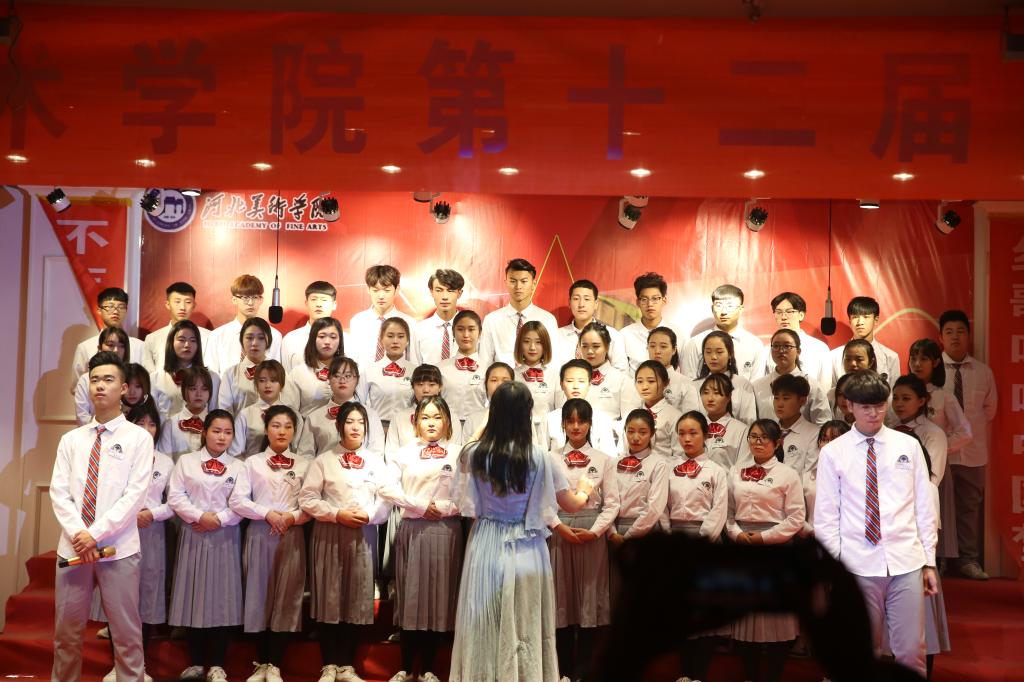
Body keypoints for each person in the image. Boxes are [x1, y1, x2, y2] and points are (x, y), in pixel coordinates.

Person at [815, 370, 938, 677]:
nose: (874, 413)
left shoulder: (907, 446)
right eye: (866, 406)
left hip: (906, 560)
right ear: (849, 406)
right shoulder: (833, 453)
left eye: (880, 405)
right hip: (856, 564)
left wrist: (930, 561)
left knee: (911, 651)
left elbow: (924, 506)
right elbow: (827, 516)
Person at [50, 351, 155, 682]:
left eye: (108, 380)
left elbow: (134, 496)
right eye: (94, 380)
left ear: (123, 388)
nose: (99, 386)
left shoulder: (138, 438)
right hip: (73, 548)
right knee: (66, 635)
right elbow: (59, 493)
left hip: (118, 549)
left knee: (126, 635)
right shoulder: (71, 440)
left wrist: (95, 534)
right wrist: (80, 535)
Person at [449, 381, 560, 681]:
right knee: (524, 619)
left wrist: (486, 424)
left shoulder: (476, 453)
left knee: (482, 618)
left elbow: (464, 452)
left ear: (494, 413)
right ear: (527, 414)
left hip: (486, 539)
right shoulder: (539, 455)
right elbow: (562, 502)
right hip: (526, 542)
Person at [300, 402, 393, 682]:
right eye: (350, 422)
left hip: (362, 534)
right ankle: (329, 664)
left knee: (355, 598)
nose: (356, 427)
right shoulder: (323, 460)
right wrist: (335, 513)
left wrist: (370, 515)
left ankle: (347, 666)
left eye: (361, 422)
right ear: (339, 426)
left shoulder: (375, 462)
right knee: (330, 598)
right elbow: (307, 498)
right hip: (329, 533)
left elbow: (385, 500)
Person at [377, 396, 465, 682]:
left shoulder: (459, 453)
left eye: (437, 417)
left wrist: (442, 508)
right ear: (415, 422)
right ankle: (404, 668)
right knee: (412, 595)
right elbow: (385, 487)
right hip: (413, 529)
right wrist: (418, 505)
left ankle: (428, 668)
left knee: (439, 596)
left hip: (446, 530)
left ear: (447, 421)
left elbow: (468, 494)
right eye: (425, 417)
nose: (431, 423)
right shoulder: (404, 453)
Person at [229, 405, 311, 682]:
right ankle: (260, 662)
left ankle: (275, 663)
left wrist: (291, 517)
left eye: (288, 426)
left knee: (287, 596)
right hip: (260, 532)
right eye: (276, 425)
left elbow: (310, 503)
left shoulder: (304, 464)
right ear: (266, 429)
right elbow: (238, 500)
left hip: (291, 534)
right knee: (258, 595)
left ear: (294, 431)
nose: (282, 431)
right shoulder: (251, 463)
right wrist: (268, 514)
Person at [167, 410, 244, 682]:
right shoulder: (186, 462)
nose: (222, 437)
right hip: (194, 534)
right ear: (204, 432)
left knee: (221, 598)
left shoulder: (239, 466)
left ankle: (218, 665)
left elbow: (241, 502)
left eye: (227, 432)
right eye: (216, 431)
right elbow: (175, 496)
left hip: (225, 536)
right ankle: (197, 662)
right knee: (194, 595)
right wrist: (200, 517)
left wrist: (218, 520)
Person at [726, 419, 806, 682]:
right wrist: (737, 534)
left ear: (777, 442)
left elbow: (796, 518)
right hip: (743, 546)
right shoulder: (736, 470)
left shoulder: (788, 474)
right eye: (753, 437)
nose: (757, 442)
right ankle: (749, 676)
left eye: (764, 438)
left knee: (776, 618)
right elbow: (728, 512)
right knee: (746, 617)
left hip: (775, 548)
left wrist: (764, 538)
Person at [547, 399, 620, 682]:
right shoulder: (550, 458)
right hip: (560, 530)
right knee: (562, 599)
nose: (576, 427)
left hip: (592, 532)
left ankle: (584, 672)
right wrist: (559, 526)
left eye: (581, 421)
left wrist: (595, 531)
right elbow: (544, 502)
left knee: (590, 599)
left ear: (590, 424)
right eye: (570, 421)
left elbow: (611, 504)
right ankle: (564, 671)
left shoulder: (604, 460)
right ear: (563, 424)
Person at [664, 411, 728, 682]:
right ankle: (683, 673)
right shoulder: (668, 468)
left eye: (693, 433)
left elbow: (719, 509)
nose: (687, 439)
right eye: (682, 433)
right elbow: (661, 507)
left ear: (706, 435)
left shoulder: (716, 471)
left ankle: (699, 674)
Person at [938, 310, 997, 580]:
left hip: (973, 453)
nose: (955, 337)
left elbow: (990, 410)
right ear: (941, 337)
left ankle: (968, 560)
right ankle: (938, 560)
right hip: (940, 453)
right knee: (937, 507)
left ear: (969, 335)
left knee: (969, 507)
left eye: (960, 331)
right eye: (949, 332)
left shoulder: (983, 372)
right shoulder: (934, 371)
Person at [907, 338, 972, 563]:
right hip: (903, 465)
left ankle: (935, 561)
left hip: (935, 467)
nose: (917, 363)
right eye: (913, 358)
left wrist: (940, 447)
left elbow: (965, 432)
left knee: (934, 512)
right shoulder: (899, 392)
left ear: (935, 363)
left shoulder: (944, 396)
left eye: (923, 359)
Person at [479, 258, 559, 367]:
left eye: (524, 281)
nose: (518, 286)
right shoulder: (492, 320)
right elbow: (485, 361)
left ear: (533, 284)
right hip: (502, 377)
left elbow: (553, 362)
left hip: (537, 376)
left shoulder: (547, 319)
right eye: (513, 281)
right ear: (506, 283)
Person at [302, 356, 386, 456]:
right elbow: (305, 455)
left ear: (357, 380)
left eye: (348, 376)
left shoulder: (370, 415)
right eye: (337, 376)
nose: (342, 380)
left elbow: (377, 453)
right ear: (329, 379)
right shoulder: (314, 418)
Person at [610, 408, 669, 546]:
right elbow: (607, 501)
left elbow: (655, 507)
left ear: (652, 433)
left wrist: (629, 536)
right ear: (625, 431)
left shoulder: (659, 464)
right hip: (615, 531)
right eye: (631, 431)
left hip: (646, 531)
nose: (636, 437)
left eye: (642, 432)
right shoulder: (613, 463)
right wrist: (612, 533)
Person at [231, 360, 312, 460]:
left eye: (273, 380)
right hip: (252, 467)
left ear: (282, 384)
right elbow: (235, 453)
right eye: (262, 380)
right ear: (256, 384)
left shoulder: (294, 414)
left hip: (287, 468)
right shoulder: (245, 415)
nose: (267, 385)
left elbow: (299, 451)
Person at [682, 284, 764, 381]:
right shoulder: (696, 343)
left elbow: (756, 383)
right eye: (719, 305)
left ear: (741, 310)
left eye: (730, 306)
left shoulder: (754, 344)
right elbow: (689, 383)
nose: (724, 311)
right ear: (712, 309)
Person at [751, 328, 832, 425]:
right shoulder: (758, 385)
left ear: (798, 351)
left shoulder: (812, 385)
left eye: (787, 346)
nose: (781, 350)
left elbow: (823, 423)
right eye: (776, 346)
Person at [206, 274, 284, 373]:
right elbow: (211, 375)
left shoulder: (274, 335)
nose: (250, 303)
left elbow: (276, 372)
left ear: (261, 300)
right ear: (234, 300)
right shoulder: (217, 336)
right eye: (245, 297)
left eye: (255, 297)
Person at [753, 292, 831, 387]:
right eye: (779, 312)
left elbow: (825, 386)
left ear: (801, 315)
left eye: (789, 312)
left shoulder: (820, 348)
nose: (783, 317)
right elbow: (760, 383)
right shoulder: (767, 350)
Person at [150, 319, 220, 422]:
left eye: (193, 340)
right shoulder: (156, 378)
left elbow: (214, 413)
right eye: (182, 340)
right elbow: (152, 416)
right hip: (166, 431)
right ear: (171, 342)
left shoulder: (212, 377)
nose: (187, 345)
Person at [543, 359, 619, 455]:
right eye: (570, 381)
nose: (575, 386)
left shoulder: (602, 419)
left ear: (589, 384)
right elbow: (541, 456)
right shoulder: (550, 419)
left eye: (581, 381)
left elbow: (609, 457)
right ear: (561, 384)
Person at [348, 265, 418, 366]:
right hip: (363, 375)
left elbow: (413, 362)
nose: (381, 296)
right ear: (368, 289)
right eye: (375, 290)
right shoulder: (358, 321)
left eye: (387, 290)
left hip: (397, 375)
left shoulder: (409, 323)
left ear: (397, 289)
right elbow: (352, 359)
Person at [386, 365, 464, 456]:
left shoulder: (451, 417)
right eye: (420, 384)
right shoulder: (399, 417)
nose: (426, 390)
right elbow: (391, 454)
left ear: (440, 387)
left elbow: (454, 452)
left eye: (432, 385)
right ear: (413, 387)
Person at [71, 287, 145, 382]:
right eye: (110, 307)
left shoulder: (140, 346)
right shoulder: (85, 347)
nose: (115, 311)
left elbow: (145, 382)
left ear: (126, 310)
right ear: (99, 310)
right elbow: (77, 385)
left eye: (121, 307)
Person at [619, 272, 687, 374]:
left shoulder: (679, 333)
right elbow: (621, 374)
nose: (650, 304)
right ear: (637, 302)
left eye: (655, 299)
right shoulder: (624, 335)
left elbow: (686, 373)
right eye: (644, 299)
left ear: (664, 300)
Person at [553, 279, 628, 371]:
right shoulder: (556, 335)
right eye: (576, 299)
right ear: (569, 303)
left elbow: (621, 370)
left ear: (596, 304)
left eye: (587, 299)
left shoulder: (612, 334)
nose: (581, 304)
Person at [623, 326, 699, 413]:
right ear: (647, 348)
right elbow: (629, 412)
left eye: (663, 346)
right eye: (652, 346)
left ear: (674, 350)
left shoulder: (686, 384)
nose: (657, 351)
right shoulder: (635, 382)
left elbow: (691, 416)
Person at [827, 296, 901, 387]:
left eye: (866, 317)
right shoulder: (834, 356)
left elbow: (894, 392)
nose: (860, 322)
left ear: (876, 320)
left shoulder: (890, 357)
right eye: (855, 317)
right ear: (850, 320)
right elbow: (832, 391)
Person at [141, 282, 211, 373]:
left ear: (194, 305)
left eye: (188, 302)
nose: (182, 307)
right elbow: (148, 375)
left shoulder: (208, 336)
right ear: (168, 304)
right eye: (177, 302)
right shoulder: (152, 339)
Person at [759, 374, 819, 476]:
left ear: (802, 400)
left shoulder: (814, 434)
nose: (779, 404)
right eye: (776, 398)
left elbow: (810, 476)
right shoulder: (768, 431)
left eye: (785, 398)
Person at [692, 330, 757, 424]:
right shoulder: (694, 385)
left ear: (730, 354)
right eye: (708, 352)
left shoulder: (742, 384)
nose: (713, 357)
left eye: (719, 352)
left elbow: (749, 421)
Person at [362, 317, 416, 426]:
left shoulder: (415, 371)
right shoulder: (369, 370)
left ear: (407, 341)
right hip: (376, 427)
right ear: (381, 340)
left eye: (400, 336)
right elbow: (359, 403)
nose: (395, 341)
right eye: (390, 336)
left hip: (407, 427)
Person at [802, 420, 852, 538]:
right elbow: (796, 514)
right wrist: (811, 532)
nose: (828, 444)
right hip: (814, 538)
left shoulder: (860, 476)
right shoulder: (807, 478)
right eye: (824, 439)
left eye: (835, 439)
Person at [574, 321, 631, 422]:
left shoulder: (622, 380)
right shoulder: (571, 378)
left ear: (607, 347)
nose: (590, 351)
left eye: (596, 346)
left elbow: (629, 419)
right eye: (585, 346)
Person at [513, 321, 560, 444]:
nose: (532, 347)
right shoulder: (511, 375)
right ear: (519, 345)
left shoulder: (555, 375)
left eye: (538, 342)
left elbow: (559, 412)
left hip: (547, 437)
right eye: (526, 341)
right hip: (517, 436)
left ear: (546, 345)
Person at [287, 317, 345, 416]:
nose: (327, 341)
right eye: (322, 336)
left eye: (333, 337)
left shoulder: (348, 371)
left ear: (340, 341)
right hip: (308, 425)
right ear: (313, 339)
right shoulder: (298, 373)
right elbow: (290, 412)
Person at [438, 310, 488, 423]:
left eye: (471, 329)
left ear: (480, 333)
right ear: (453, 332)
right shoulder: (440, 369)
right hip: (447, 425)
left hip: (478, 427)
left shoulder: (488, 369)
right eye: (460, 329)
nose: (466, 335)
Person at [74, 327, 131, 425]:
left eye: (121, 346)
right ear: (99, 348)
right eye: (110, 345)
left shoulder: (132, 376)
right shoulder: (86, 379)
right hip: (92, 430)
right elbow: (82, 415)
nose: (116, 350)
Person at [282, 281, 342, 371]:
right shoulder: (290, 339)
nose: (318, 304)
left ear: (334, 305)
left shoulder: (347, 340)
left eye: (324, 300)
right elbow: (286, 375)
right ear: (306, 303)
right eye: (314, 299)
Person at [217, 316, 272, 415]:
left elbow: (287, 406)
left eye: (261, 338)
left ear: (269, 341)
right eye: (249, 338)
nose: (255, 343)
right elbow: (224, 411)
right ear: (241, 341)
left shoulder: (279, 372)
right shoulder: (230, 374)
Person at [157, 366, 214, 460]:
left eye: (204, 389)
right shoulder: (170, 424)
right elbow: (165, 461)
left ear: (210, 392)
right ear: (184, 390)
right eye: (193, 389)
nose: (199, 394)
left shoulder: (215, 424)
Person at [633, 360, 683, 457]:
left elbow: (679, 455)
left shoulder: (674, 417)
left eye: (651, 381)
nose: (644, 387)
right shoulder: (632, 414)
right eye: (639, 381)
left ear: (666, 383)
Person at [415, 268, 465, 365]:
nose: (444, 297)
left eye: (450, 291)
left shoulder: (470, 328)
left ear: (459, 293)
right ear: (431, 292)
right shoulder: (419, 330)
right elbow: (414, 366)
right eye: (439, 290)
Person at [699, 373, 748, 471]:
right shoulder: (695, 426)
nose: (710, 398)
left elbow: (743, 466)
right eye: (706, 392)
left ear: (729, 397)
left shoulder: (741, 430)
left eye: (716, 393)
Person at [461, 361, 516, 443]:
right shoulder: (473, 419)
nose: (499, 385)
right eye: (494, 380)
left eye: (505, 381)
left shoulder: (523, 417)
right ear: (486, 385)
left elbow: (532, 449)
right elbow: (465, 450)